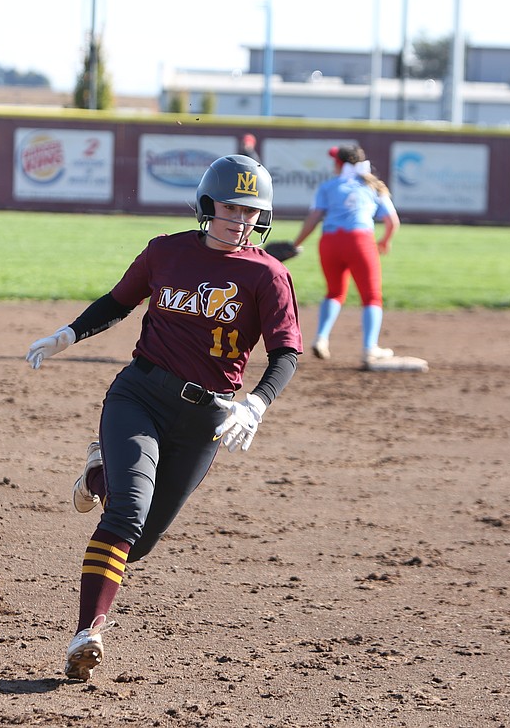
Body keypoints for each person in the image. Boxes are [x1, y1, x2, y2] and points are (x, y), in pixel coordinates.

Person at [25, 153, 303, 682]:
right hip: (141, 396)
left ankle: (98, 472)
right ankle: (87, 633)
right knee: (126, 516)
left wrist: (257, 403)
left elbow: (285, 353)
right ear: (206, 205)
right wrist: (68, 333)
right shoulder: (166, 252)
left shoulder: (269, 275)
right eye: (229, 207)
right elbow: (117, 301)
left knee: (141, 541)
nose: (240, 220)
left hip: (207, 419)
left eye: (250, 211)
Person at [291, 144, 400, 365]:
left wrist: (296, 244)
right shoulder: (374, 187)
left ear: (339, 163)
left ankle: (321, 338)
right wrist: (385, 241)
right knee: (371, 297)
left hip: (330, 242)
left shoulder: (328, 186)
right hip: (360, 241)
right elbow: (392, 222)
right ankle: (370, 348)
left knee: (334, 292)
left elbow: (313, 220)